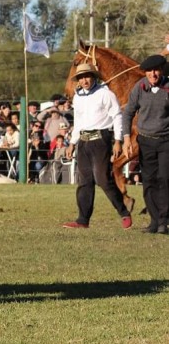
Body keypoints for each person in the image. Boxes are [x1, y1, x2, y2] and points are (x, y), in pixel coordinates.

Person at [62, 62, 132, 229]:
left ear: (93, 77)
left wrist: (117, 140)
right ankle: (83, 220)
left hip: (101, 139)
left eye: (87, 76)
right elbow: (78, 121)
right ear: (77, 80)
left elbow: (117, 115)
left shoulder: (105, 93)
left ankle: (123, 212)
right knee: (84, 181)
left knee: (103, 179)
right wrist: (72, 142)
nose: (84, 80)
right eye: (81, 77)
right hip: (83, 141)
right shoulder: (77, 97)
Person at [122, 54, 169, 234]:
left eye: (156, 70)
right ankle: (154, 221)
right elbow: (128, 113)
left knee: (164, 179)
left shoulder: (168, 87)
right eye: (149, 71)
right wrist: (126, 138)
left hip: (165, 141)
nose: (153, 74)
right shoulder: (140, 87)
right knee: (148, 180)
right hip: (146, 141)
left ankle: (164, 221)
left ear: (162, 70)